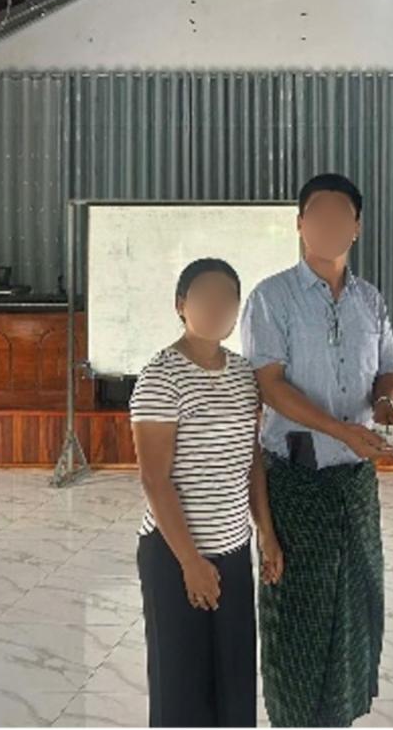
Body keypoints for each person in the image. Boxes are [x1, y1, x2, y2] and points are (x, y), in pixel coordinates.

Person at [241, 173, 393, 727]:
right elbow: (270, 385)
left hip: (355, 484)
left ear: (357, 227)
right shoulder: (271, 298)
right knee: (297, 614)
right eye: (318, 214)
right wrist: (340, 429)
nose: (329, 225)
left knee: (356, 606)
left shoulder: (370, 300)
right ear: (300, 224)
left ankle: (341, 717)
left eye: (341, 216)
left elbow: (387, 371)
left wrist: (384, 406)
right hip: (296, 483)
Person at [131, 258, 285, 728]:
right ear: (181, 305)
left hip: (233, 548)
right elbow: (155, 480)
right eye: (205, 297)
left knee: (234, 683)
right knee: (181, 690)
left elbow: (251, 459)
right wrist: (191, 562)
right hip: (174, 553)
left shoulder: (242, 374)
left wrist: (266, 532)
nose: (217, 307)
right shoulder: (161, 377)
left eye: (227, 299)